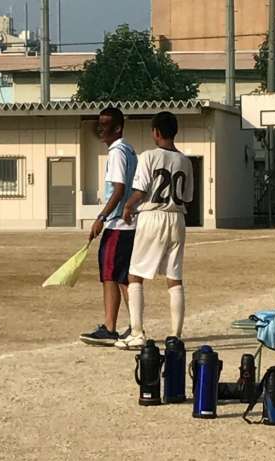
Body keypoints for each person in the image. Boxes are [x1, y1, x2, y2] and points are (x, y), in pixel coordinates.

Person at [115, 111, 193, 349]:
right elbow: (187, 197)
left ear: (156, 132)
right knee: (174, 278)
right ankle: (175, 336)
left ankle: (137, 332)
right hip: (177, 218)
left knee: (135, 275)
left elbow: (140, 190)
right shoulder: (185, 161)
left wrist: (128, 206)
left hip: (152, 216)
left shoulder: (148, 156)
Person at [80, 107, 138, 346]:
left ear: (118, 128)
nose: (100, 129)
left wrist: (101, 217)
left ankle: (110, 328)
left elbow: (119, 189)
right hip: (129, 224)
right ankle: (136, 327)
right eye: (99, 124)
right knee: (124, 277)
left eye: (105, 125)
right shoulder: (130, 150)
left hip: (117, 225)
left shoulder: (116, 152)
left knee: (110, 275)